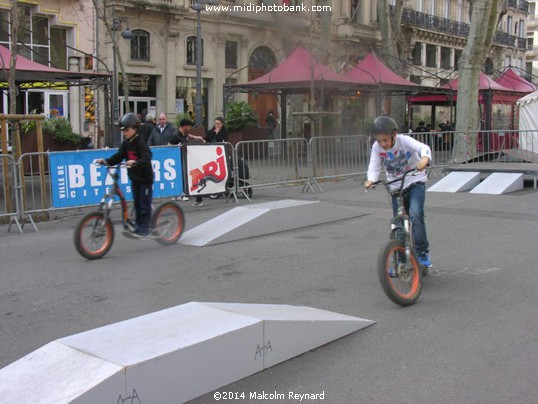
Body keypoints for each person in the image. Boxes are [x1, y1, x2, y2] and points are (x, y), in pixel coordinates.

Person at [364, 116, 432, 269]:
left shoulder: (404, 141)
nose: (382, 144)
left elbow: (422, 147)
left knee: (415, 215)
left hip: (415, 182)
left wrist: (425, 158)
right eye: (379, 140)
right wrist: (371, 179)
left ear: (394, 134)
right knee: (399, 225)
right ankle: (400, 260)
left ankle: (422, 252)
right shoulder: (377, 147)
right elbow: (374, 166)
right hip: (396, 187)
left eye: (385, 140)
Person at [95, 113, 153, 237]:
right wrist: (106, 161)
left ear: (135, 128)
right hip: (135, 178)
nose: (124, 133)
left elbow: (147, 157)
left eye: (127, 130)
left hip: (145, 178)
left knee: (143, 203)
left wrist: (136, 162)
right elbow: (119, 156)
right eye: (123, 131)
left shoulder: (140, 141)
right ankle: (138, 226)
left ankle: (144, 228)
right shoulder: (126, 143)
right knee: (137, 203)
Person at [168, 118, 206, 203]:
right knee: (180, 176)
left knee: (183, 175)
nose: (190, 128)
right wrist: (175, 149)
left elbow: (188, 136)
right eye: (189, 126)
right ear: (184, 126)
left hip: (184, 158)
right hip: (177, 159)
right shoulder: (175, 136)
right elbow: (168, 146)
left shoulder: (184, 133)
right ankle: (180, 194)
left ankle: (178, 194)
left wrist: (197, 137)